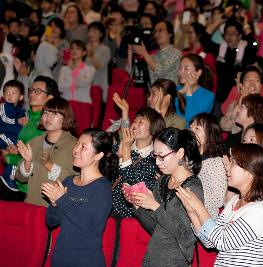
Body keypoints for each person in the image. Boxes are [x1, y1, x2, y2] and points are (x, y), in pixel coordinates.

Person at [176, 143, 263, 266]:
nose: (228, 167)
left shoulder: (262, 209)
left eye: (233, 163)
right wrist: (192, 212)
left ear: (249, 172)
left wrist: (199, 207)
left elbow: (222, 241)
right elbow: (210, 241)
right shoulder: (235, 201)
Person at [123, 127, 203, 267]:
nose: (157, 162)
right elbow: (157, 229)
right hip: (152, 259)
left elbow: (186, 236)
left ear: (180, 153)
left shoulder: (192, 187)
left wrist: (155, 206)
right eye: (155, 156)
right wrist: (138, 205)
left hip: (175, 262)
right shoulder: (162, 181)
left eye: (162, 156)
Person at [42, 129, 117, 266]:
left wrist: (62, 199)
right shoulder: (68, 182)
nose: (76, 150)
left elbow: (88, 225)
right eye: (77, 144)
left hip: (85, 260)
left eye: (83, 147)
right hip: (61, 256)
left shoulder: (102, 188)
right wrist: (54, 204)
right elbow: (51, 222)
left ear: (98, 155)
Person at [15, 97, 77, 207]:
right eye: (46, 112)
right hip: (31, 204)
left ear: (66, 118)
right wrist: (27, 163)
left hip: (54, 210)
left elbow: (75, 182)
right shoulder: (34, 142)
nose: (48, 117)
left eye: (54, 114)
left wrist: (49, 165)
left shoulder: (74, 146)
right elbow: (20, 178)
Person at [5, 76, 60, 194]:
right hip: (15, 177)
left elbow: (39, 161)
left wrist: (9, 158)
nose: (31, 94)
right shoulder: (25, 115)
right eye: (31, 90)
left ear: (50, 97)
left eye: (38, 91)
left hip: (28, 188)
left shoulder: (47, 124)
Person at [110, 105, 165, 218]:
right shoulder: (120, 147)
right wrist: (116, 156)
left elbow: (132, 184)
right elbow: (104, 174)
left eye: (141, 122)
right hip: (106, 210)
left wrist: (126, 152)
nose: (134, 124)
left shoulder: (154, 160)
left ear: (153, 130)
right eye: (135, 120)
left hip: (127, 217)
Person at [190, 113, 227, 219]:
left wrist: (190, 192)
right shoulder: (185, 159)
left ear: (210, 135)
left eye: (197, 128)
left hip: (204, 220)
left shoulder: (217, 163)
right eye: (191, 127)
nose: (191, 131)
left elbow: (219, 199)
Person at [220, 65, 263, 132]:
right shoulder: (238, 99)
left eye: (256, 80)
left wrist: (245, 100)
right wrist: (239, 97)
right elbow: (224, 126)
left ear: (261, 86)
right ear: (242, 84)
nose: (252, 84)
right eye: (247, 80)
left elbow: (261, 119)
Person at [58, 39, 96, 134]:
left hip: (83, 104)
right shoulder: (64, 69)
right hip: (67, 103)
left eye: (78, 49)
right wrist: (72, 86)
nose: (74, 51)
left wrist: (73, 69)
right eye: (72, 48)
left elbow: (83, 83)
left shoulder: (90, 69)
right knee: (65, 131)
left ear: (84, 52)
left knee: (82, 132)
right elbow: (60, 87)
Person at [131, 20, 181, 84]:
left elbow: (160, 71)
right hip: (154, 92)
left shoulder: (176, 53)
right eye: (155, 32)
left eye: (160, 30)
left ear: (170, 33)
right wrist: (130, 50)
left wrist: (144, 53)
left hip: (169, 93)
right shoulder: (153, 56)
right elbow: (136, 73)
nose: (157, 34)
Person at [175, 53, 215, 127]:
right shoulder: (176, 89)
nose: (181, 72)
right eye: (180, 68)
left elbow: (188, 117)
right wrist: (182, 91)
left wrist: (189, 90)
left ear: (198, 73)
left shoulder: (208, 96)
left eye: (186, 68)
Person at [0, 80, 26, 191]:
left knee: (19, 151)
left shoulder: (22, 110)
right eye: (7, 93)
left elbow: (25, 123)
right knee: (14, 149)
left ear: (21, 97)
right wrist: (18, 121)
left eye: (13, 93)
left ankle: (13, 176)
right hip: (3, 134)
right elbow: (4, 119)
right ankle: (9, 176)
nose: (9, 95)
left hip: (15, 137)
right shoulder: (3, 106)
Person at [85, 21, 111, 103]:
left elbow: (100, 67)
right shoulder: (84, 47)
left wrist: (91, 55)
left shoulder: (105, 49)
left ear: (101, 34)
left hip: (98, 85)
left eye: (94, 31)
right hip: (85, 85)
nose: (91, 34)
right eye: (89, 31)